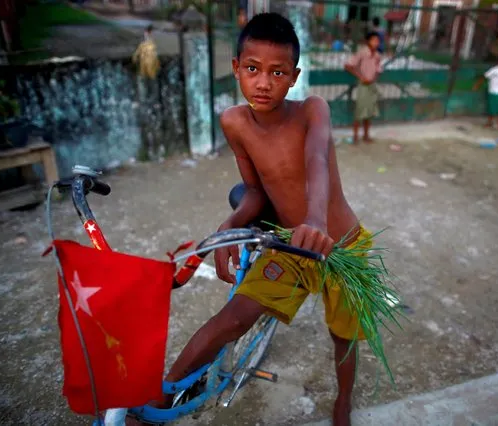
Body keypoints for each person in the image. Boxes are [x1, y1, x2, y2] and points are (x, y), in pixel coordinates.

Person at [139, 13, 370, 426]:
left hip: (340, 246)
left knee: (343, 335)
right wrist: (227, 229)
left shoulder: (313, 110)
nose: (263, 82)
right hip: (290, 246)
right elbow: (257, 190)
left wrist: (315, 219)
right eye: (252, 69)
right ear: (236, 69)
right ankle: (161, 394)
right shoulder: (234, 122)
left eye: (277, 72)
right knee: (233, 319)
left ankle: (344, 401)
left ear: (294, 76)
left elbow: (316, 162)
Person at [344, 32, 383, 144]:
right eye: (373, 40)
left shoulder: (377, 55)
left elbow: (378, 69)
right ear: (368, 41)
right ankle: (355, 136)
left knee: (370, 112)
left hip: (372, 86)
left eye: (377, 41)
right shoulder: (362, 53)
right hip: (363, 86)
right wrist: (361, 77)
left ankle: (366, 135)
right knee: (359, 111)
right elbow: (348, 66)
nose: (376, 43)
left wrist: (373, 78)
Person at [474, 54, 498, 129]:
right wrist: (477, 85)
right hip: (493, 92)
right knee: (492, 109)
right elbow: (484, 77)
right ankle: (489, 122)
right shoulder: (494, 70)